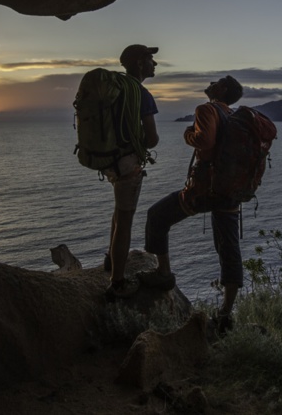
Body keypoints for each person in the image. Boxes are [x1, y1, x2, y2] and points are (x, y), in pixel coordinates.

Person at [138, 75, 244, 334]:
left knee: (157, 216)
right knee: (229, 247)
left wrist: (188, 133)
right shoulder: (233, 115)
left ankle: (163, 273)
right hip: (230, 191)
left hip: (205, 190)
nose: (212, 81)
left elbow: (204, 142)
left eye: (218, 81)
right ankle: (226, 313)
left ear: (223, 89)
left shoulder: (207, 109)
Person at [102, 44, 160, 301]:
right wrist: (136, 148)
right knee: (125, 220)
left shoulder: (113, 88)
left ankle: (109, 258)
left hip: (109, 161)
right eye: (150, 59)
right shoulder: (142, 94)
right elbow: (153, 138)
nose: (154, 64)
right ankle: (116, 282)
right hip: (127, 164)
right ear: (139, 63)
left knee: (118, 210)